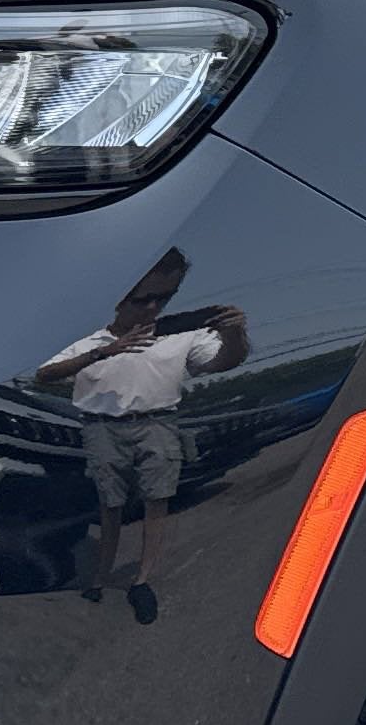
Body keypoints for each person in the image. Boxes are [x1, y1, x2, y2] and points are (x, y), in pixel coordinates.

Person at [38, 257, 248, 622]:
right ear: (119, 298)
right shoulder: (88, 337)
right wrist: (103, 352)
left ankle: (142, 581)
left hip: (159, 422)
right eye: (143, 299)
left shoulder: (181, 334)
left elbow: (222, 363)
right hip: (102, 426)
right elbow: (45, 374)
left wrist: (234, 334)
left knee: (157, 501)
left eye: (163, 298)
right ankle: (100, 577)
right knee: (110, 503)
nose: (153, 307)